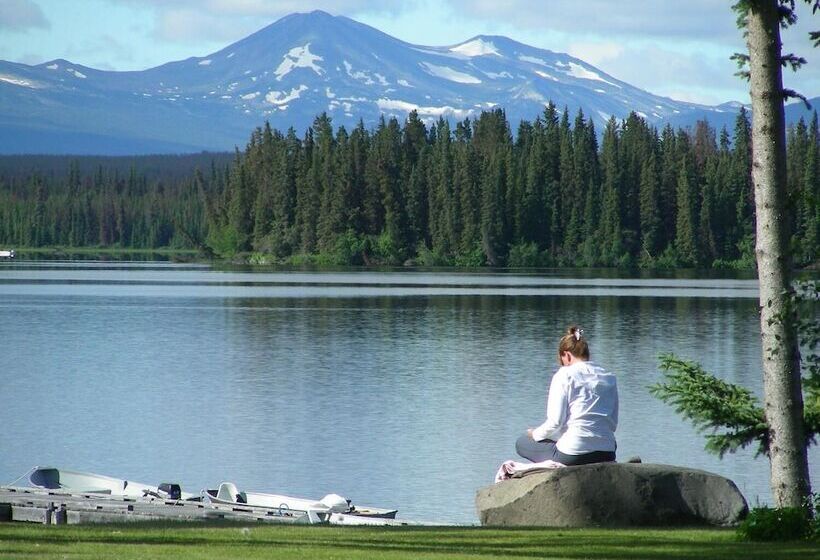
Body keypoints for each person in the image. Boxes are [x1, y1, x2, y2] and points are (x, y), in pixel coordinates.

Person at [516, 326, 618, 466]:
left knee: (522, 442)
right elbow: (612, 424)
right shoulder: (609, 378)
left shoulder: (565, 375)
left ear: (567, 355)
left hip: (574, 454)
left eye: (561, 360)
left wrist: (534, 434)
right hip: (607, 452)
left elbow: (555, 423)